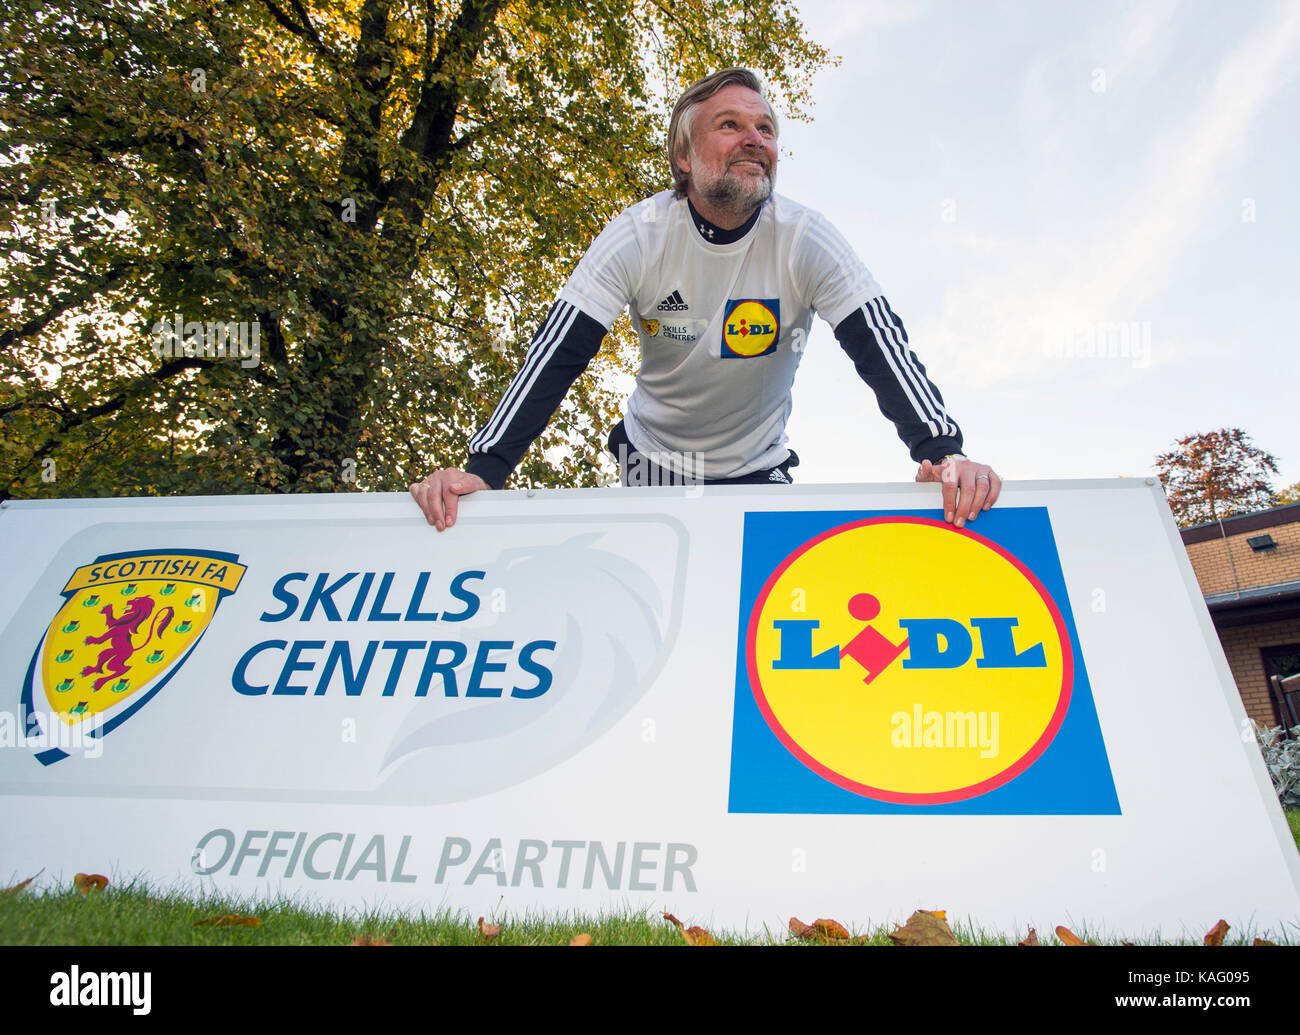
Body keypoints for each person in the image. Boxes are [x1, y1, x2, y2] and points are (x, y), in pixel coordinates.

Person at [410, 68, 1000, 531]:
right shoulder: (639, 233)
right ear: (684, 159)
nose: (754, 139)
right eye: (730, 125)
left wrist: (943, 453)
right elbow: (557, 352)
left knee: (751, 632)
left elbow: (880, 344)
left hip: (756, 468)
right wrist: (484, 470)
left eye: (766, 129)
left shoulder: (805, 237)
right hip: (652, 461)